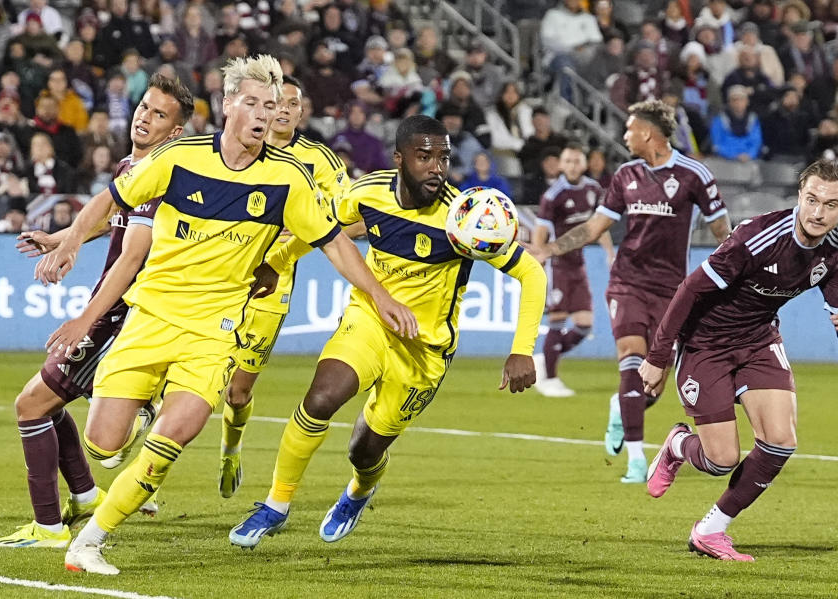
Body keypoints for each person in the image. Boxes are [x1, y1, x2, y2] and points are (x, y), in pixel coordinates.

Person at [33, 55, 415, 576]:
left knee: (177, 437)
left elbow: (334, 245)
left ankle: (90, 542)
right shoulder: (179, 159)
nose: (263, 114)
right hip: (151, 319)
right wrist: (70, 241)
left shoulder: (289, 179)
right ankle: (142, 410)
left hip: (213, 334)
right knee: (103, 444)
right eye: (253, 103)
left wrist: (380, 295)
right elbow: (108, 201)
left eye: (272, 106)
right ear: (228, 105)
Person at [228, 114, 547, 548]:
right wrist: (278, 262)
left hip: (424, 350)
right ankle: (275, 505)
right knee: (321, 398)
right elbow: (324, 231)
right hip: (371, 321)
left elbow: (532, 274)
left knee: (365, 451)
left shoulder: (463, 219)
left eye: (444, 157)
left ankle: (359, 490)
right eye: (424, 156)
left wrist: (522, 350)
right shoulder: (367, 193)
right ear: (400, 159)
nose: (437, 167)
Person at [0, 74, 194, 550]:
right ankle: (83, 495)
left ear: (176, 131)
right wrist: (64, 238)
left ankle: (49, 528)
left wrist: (86, 320)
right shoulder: (130, 165)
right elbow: (110, 219)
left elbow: (132, 257)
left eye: (159, 114)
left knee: (31, 405)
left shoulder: (162, 177)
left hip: (123, 313)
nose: (145, 117)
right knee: (49, 402)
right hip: (111, 309)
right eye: (144, 107)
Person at [640, 159, 838, 561]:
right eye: (811, 199)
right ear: (799, 196)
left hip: (758, 340)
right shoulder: (757, 237)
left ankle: (710, 530)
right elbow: (690, 290)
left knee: (781, 440)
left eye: (830, 205)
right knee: (721, 460)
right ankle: (677, 446)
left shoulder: (836, 258)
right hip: (705, 343)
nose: (817, 212)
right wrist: (657, 356)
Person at [527, 100, 731, 483]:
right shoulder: (625, 175)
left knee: (652, 382)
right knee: (631, 360)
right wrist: (550, 249)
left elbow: (723, 232)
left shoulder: (694, 174)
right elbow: (594, 226)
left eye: (629, 129)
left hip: (673, 290)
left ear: (648, 133)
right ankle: (637, 460)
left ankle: (619, 409)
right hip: (627, 283)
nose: (623, 136)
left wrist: (737, 271)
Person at [217, 74, 351, 499]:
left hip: (272, 290)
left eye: (295, 104)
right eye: (280, 103)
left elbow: (346, 214)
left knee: (238, 394)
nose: (287, 110)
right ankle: (148, 481)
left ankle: (230, 449)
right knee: (184, 382)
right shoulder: (240, 150)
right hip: (221, 280)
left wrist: (287, 251)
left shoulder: (319, 161)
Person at [531, 143, 613, 397]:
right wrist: (539, 257)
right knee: (557, 318)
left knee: (585, 324)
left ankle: (544, 359)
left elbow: (599, 225)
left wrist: (609, 253)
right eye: (567, 161)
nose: (572, 166)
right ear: (561, 164)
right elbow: (541, 230)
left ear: (585, 164)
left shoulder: (593, 190)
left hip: (578, 263)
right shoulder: (553, 195)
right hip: (557, 264)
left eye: (576, 161)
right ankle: (550, 379)